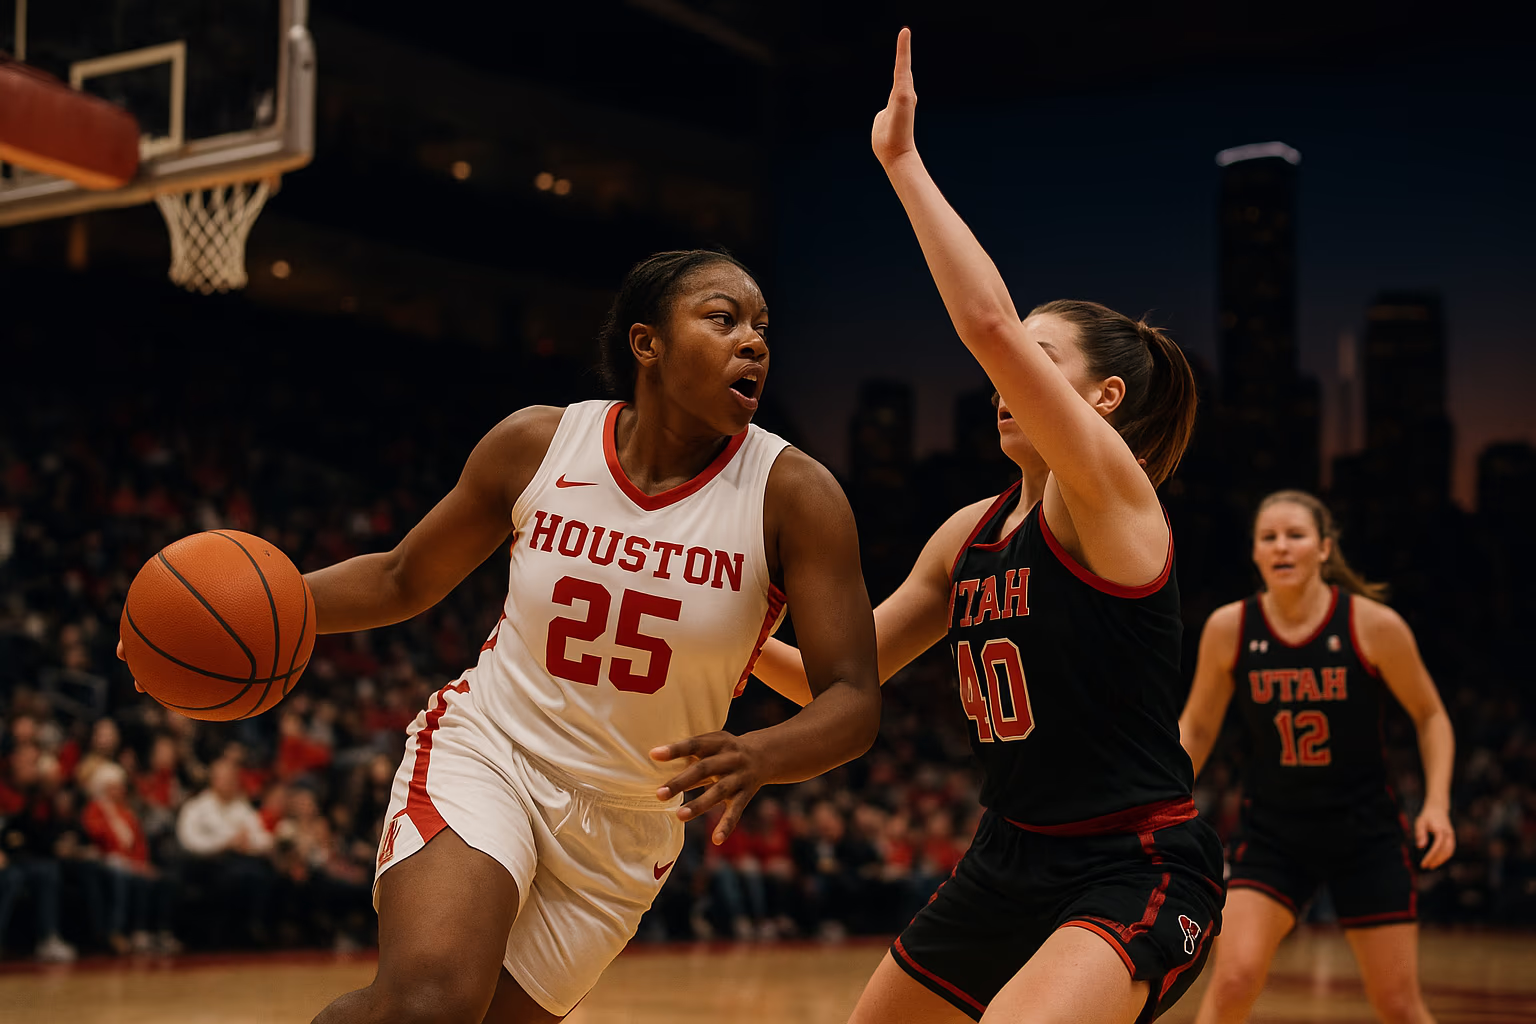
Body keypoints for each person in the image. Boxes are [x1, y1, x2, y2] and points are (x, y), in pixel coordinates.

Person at [753, 30, 1221, 1023]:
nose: (1011, 381)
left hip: (1133, 859)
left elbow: (989, 327)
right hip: (1007, 852)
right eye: (1022, 365)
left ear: (1100, 398)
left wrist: (905, 165)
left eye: (1042, 365)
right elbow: (845, 676)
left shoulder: (1112, 496)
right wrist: (735, 631)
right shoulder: (969, 531)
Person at [299, 249, 881, 1023]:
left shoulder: (796, 494)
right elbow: (403, 576)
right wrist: (262, 606)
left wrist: (764, 754)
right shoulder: (539, 444)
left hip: (631, 823)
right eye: (723, 318)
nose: (754, 342)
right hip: (495, 752)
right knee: (429, 1003)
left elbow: (853, 696)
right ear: (648, 343)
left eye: (762, 327)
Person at [1178, 490, 1455, 1024]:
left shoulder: (1373, 625)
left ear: (1325, 549)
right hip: (1273, 832)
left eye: (1296, 536)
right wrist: (1157, 797)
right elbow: (1199, 724)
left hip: (1365, 832)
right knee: (1232, 981)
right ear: (1255, 553)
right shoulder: (1230, 628)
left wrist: (1437, 803)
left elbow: (1431, 715)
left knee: (1397, 1004)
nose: (1282, 547)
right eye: (1269, 537)